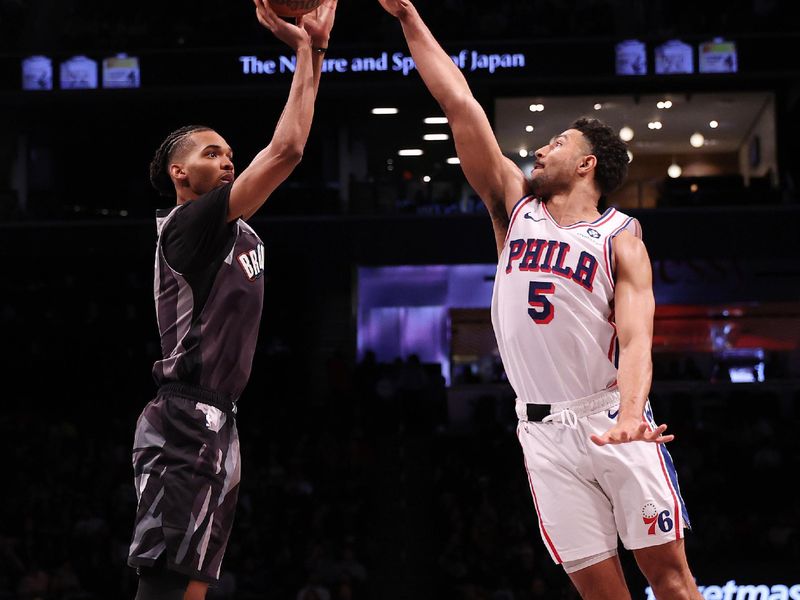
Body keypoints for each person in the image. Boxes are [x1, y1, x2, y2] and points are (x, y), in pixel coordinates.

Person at [377, 2, 702, 598]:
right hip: (541, 430)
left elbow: (635, 339)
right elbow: (460, 104)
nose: (541, 149)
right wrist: (406, 17)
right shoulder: (513, 205)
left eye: (557, 141)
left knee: (673, 582)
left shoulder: (622, 239)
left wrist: (633, 412)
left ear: (586, 163)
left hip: (611, 415)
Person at [127, 1, 338, 598]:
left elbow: (281, 153)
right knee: (165, 585)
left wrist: (314, 53)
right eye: (211, 154)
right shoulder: (186, 224)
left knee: (193, 585)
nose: (227, 161)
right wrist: (308, 52)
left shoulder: (230, 226)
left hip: (220, 417)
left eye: (229, 155)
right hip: (182, 416)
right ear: (178, 172)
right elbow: (288, 150)